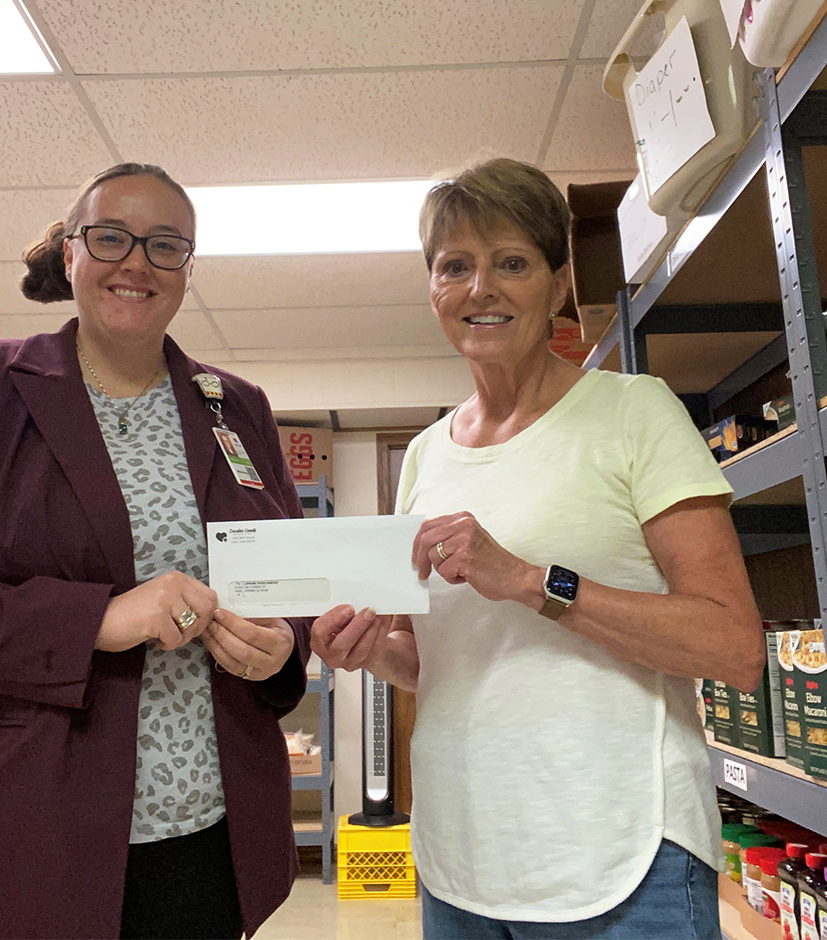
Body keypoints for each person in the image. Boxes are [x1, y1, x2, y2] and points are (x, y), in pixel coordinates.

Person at [0, 163, 310, 940]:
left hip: (203, 838)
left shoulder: (234, 406)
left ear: (188, 269)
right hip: (10, 831)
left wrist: (282, 644)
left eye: (166, 245)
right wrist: (96, 618)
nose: (137, 263)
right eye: (111, 237)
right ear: (69, 254)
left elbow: (287, 576)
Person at [312, 158, 765, 940]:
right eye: (455, 266)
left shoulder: (633, 412)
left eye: (510, 263)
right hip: (462, 855)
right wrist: (370, 652)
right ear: (432, 290)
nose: (479, 288)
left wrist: (530, 580)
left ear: (558, 285)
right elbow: (448, 666)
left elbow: (733, 648)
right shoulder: (425, 456)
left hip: (620, 855)